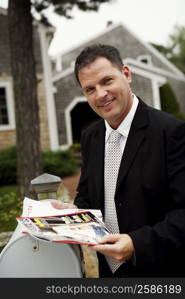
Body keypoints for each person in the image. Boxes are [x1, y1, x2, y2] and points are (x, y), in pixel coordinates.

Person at [52, 44, 185, 278]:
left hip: (160, 272)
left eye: (107, 81)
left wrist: (136, 244)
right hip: (109, 274)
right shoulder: (90, 137)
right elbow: (87, 194)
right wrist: (75, 210)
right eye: (90, 89)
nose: (100, 94)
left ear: (126, 74)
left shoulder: (171, 132)